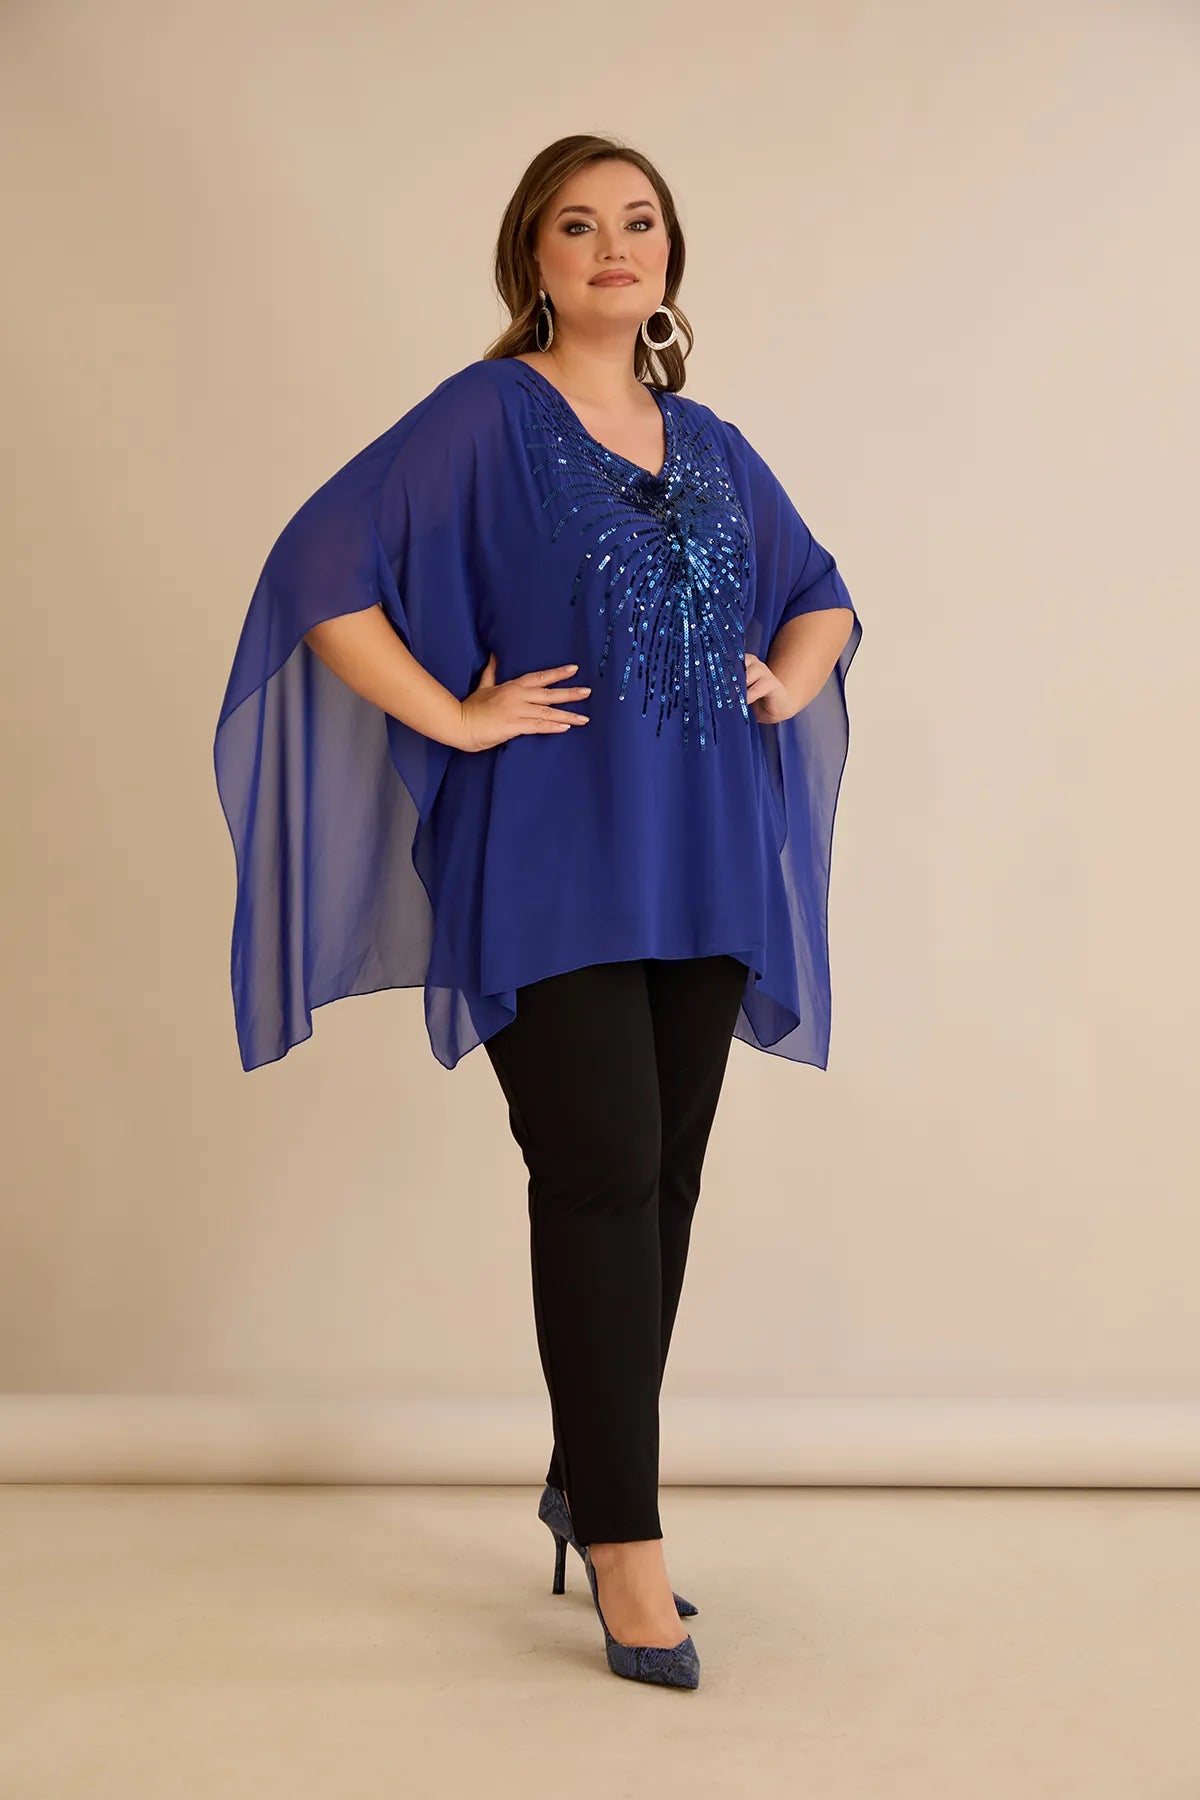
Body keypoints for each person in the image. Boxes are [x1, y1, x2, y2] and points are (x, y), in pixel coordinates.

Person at [213, 134, 863, 1690]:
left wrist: (789, 677)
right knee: (601, 1173)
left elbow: (823, 593)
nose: (614, 244)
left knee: (666, 1182)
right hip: (554, 858)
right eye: (580, 224)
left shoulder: (710, 444)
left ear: (669, 257)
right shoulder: (486, 418)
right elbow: (318, 566)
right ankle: (629, 1550)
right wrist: (454, 715)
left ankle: (589, 1476)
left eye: (639, 221)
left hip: (704, 860)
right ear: (535, 259)